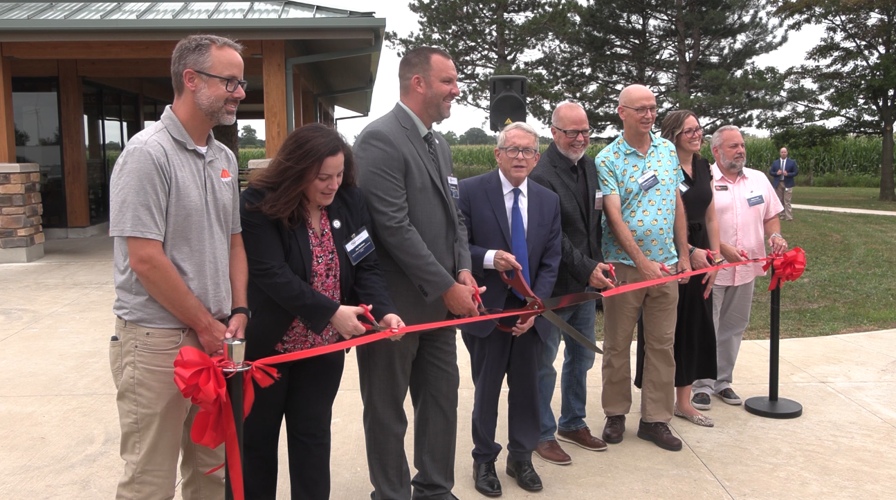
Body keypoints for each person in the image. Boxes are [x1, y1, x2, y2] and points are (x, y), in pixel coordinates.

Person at [108, 34, 248, 499]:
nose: (240, 92)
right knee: (149, 478)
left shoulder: (225, 158)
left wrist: (239, 310)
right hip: (155, 344)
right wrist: (206, 324)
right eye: (230, 81)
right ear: (191, 80)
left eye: (241, 82)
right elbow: (145, 258)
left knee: (210, 469)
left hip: (215, 336)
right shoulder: (147, 155)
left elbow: (234, 243)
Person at [239, 124, 403, 500]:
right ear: (297, 171)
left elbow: (366, 266)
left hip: (322, 351)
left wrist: (386, 312)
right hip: (268, 350)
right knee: (257, 444)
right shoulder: (258, 203)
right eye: (322, 177)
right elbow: (271, 274)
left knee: (312, 440)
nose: (332, 184)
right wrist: (331, 311)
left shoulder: (349, 200)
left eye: (340, 174)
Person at [353, 46, 482, 500]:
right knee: (387, 410)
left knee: (442, 401)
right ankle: (390, 493)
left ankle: (434, 488)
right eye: (448, 81)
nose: (456, 89)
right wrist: (446, 285)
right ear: (418, 83)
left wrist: (463, 269)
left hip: (440, 307)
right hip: (395, 309)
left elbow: (455, 217)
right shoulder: (379, 139)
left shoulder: (439, 144)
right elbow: (393, 226)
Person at [457, 122, 562, 496]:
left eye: (528, 151)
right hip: (488, 312)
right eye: (513, 150)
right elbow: (455, 244)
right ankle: (484, 459)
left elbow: (552, 259)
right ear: (497, 153)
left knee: (528, 391)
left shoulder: (548, 200)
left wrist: (536, 306)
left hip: (530, 316)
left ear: (536, 158)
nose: (520, 157)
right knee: (486, 390)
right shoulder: (469, 191)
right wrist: (488, 258)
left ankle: (521, 457)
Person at [595, 84, 692, 452]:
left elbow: (676, 204)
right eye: (640, 109)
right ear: (621, 112)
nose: (649, 115)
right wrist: (641, 263)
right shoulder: (608, 159)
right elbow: (614, 217)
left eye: (653, 108)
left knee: (662, 346)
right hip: (626, 268)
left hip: (667, 268)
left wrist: (683, 254)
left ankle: (656, 420)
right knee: (618, 344)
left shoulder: (668, 150)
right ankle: (616, 413)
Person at [528, 102, 615, 465]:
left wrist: (599, 266)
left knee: (580, 357)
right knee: (544, 362)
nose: (580, 139)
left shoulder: (591, 167)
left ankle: (572, 422)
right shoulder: (540, 173)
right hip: (553, 285)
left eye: (585, 131)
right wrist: (586, 269)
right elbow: (554, 235)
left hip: (586, 283)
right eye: (571, 132)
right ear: (554, 133)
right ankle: (541, 432)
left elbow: (593, 226)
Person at [633, 110, 720, 427]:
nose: (697, 135)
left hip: (702, 257)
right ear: (673, 135)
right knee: (664, 329)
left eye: (699, 129)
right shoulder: (658, 167)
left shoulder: (703, 166)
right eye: (689, 131)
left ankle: (684, 401)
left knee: (695, 325)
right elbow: (653, 215)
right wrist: (691, 251)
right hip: (669, 253)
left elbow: (711, 216)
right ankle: (656, 401)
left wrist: (715, 257)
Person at [692, 126, 788, 410]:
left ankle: (723, 382)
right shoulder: (704, 179)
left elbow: (771, 215)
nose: (741, 151)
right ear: (716, 150)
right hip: (712, 269)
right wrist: (721, 249)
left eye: (742, 145)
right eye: (733, 146)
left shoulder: (758, 179)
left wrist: (775, 235)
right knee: (707, 326)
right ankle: (701, 385)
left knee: (734, 327)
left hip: (747, 269)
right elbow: (696, 224)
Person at [770, 147, 798, 221]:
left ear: (787, 153)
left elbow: (795, 172)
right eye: (782, 152)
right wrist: (777, 173)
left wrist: (788, 174)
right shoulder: (775, 162)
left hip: (788, 183)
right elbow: (771, 172)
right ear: (780, 153)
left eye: (784, 152)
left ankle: (789, 217)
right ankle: (782, 215)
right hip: (778, 183)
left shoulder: (791, 162)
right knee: (780, 200)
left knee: (787, 201)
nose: (783, 153)